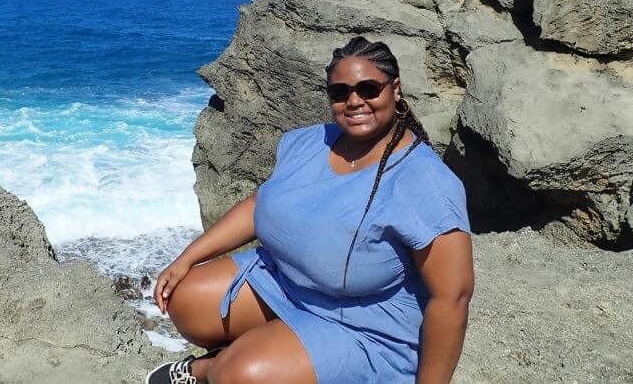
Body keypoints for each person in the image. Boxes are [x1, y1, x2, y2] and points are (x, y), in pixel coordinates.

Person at [146, 36, 474, 384]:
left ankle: (214, 367)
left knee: (238, 374)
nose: (354, 101)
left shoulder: (426, 182)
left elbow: (451, 299)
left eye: (368, 88)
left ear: (395, 89)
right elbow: (260, 204)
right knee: (185, 300)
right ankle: (271, 351)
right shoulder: (308, 141)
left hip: (364, 323)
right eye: (340, 92)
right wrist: (187, 257)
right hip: (285, 284)